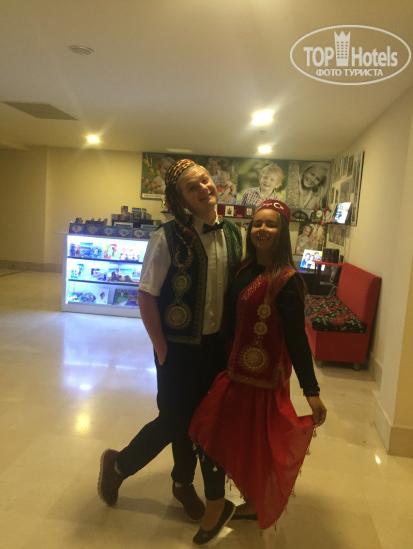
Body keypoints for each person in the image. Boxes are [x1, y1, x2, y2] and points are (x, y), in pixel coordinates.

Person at [97, 160, 242, 529]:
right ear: (181, 199)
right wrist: (161, 348)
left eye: (205, 181)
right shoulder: (166, 237)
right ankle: (118, 465)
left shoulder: (233, 233)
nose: (203, 189)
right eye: (193, 187)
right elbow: (146, 295)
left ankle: (181, 484)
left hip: (218, 348)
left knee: (203, 421)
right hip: (177, 348)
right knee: (175, 420)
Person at [189, 199, 327, 534]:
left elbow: (297, 340)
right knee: (210, 433)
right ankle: (224, 503)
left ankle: (237, 505)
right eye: (257, 224)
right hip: (233, 374)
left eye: (271, 224)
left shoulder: (287, 281)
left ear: (283, 232)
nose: (262, 230)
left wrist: (311, 391)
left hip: (263, 383)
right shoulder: (243, 270)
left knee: (244, 443)